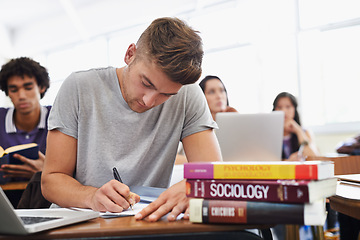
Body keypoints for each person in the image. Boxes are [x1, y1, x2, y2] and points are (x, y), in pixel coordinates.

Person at [42, 17, 222, 222]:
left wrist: (193, 187)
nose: (149, 101)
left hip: (144, 225)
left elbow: (212, 173)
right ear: (130, 54)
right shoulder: (78, 87)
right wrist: (92, 196)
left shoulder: (187, 94)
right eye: (146, 83)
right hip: (81, 222)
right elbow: (51, 181)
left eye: (167, 95)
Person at [0, 57, 50, 208]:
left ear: (41, 87)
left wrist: (47, 171)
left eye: (28, 87)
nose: (21, 96)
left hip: (48, 201)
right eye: (14, 89)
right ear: (8, 92)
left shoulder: (58, 117)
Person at [175, 75, 237, 164]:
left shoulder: (233, 124)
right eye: (212, 92)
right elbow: (172, 158)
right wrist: (202, 161)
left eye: (222, 90)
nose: (219, 96)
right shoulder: (189, 123)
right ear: (201, 97)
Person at [272, 92, 318, 161]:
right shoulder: (270, 134)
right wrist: (287, 163)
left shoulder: (305, 132)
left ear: (294, 110)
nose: (283, 111)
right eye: (279, 107)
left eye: (288, 107)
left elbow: (314, 159)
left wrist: (299, 131)